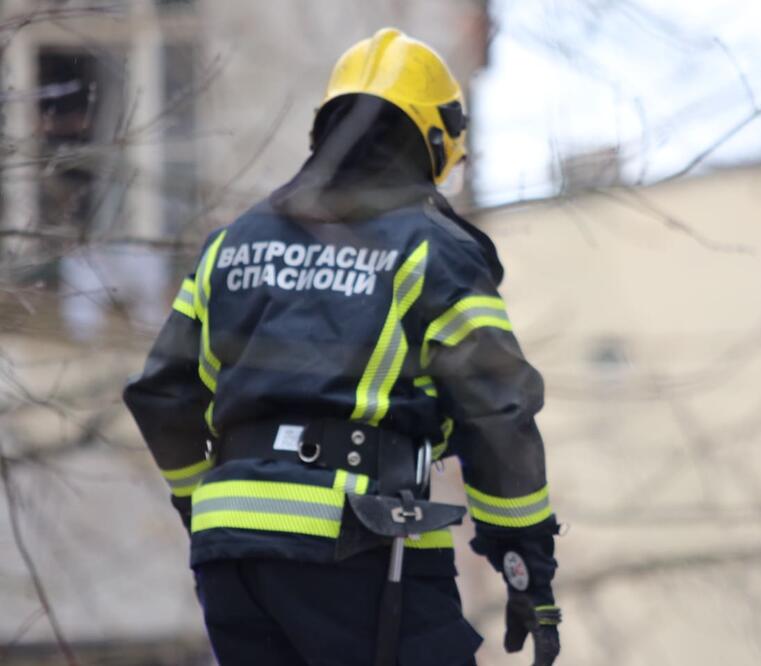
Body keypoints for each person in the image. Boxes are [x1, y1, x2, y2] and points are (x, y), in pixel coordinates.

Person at [123, 28, 561, 666]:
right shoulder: (431, 250)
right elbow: (498, 410)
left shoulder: (232, 244)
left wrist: (208, 506)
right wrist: (526, 563)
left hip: (231, 558)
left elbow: (163, 394)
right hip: (361, 542)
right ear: (435, 141)